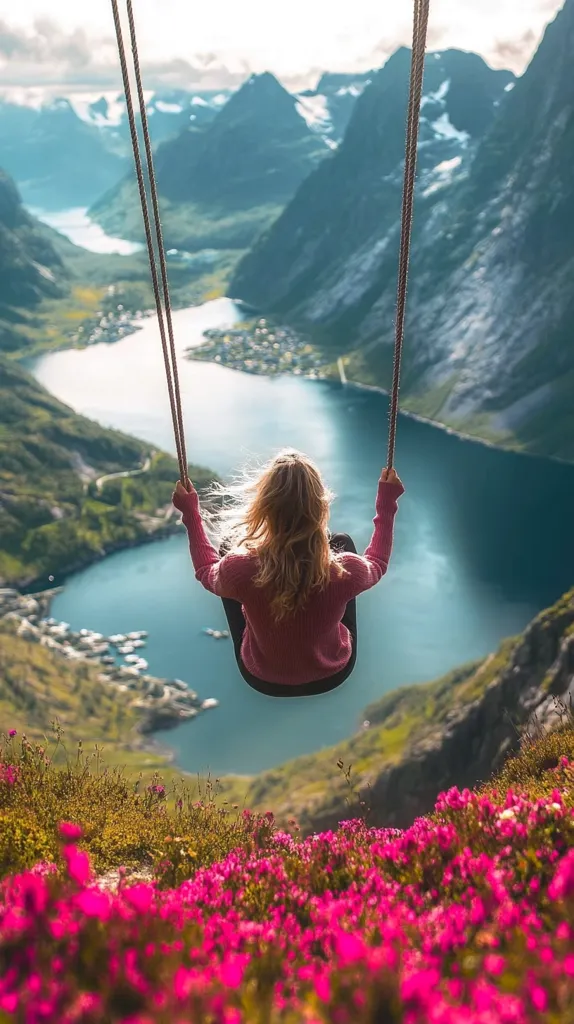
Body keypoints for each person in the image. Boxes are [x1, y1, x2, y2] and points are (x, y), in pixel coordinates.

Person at [173, 449, 404, 698]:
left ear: (264, 507)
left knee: (228, 556)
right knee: (341, 542)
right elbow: (377, 563)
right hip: (332, 671)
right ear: (320, 507)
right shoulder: (344, 570)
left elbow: (206, 570)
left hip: (262, 675)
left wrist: (191, 514)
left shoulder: (239, 568)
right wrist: (387, 503)